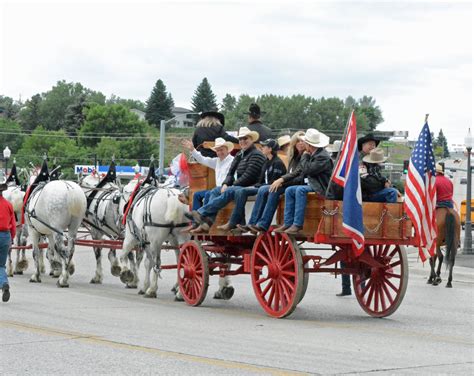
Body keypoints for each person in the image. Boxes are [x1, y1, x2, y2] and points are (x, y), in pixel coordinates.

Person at [186, 127, 266, 233]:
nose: (242, 141)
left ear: (252, 139)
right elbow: (230, 174)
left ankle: (201, 213)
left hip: (252, 185)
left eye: (245, 138)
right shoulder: (239, 155)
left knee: (224, 191)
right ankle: (206, 223)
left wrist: (231, 185)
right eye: (240, 139)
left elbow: (249, 176)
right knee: (213, 191)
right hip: (236, 186)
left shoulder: (256, 155)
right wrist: (226, 183)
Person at [239, 131, 305, 233]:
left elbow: (299, 176)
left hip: (296, 185)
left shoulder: (300, 157)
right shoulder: (293, 157)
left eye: (303, 141)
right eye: (298, 141)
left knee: (271, 188)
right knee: (265, 188)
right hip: (289, 184)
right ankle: (253, 223)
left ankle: (263, 224)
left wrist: (281, 182)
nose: (300, 143)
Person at [218, 138, 286, 231]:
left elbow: (273, 182)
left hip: (270, 188)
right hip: (263, 187)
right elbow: (261, 180)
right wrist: (255, 185)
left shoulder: (277, 163)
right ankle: (237, 222)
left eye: (263, 146)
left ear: (270, 149)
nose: (261, 148)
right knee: (241, 191)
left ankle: (252, 222)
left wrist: (258, 186)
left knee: (261, 189)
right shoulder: (266, 162)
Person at [273, 128, 333, 235]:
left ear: (309, 145)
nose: (303, 144)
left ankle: (297, 224)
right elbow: (300, 170)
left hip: (321, 187)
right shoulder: (314, 154)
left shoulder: (322, 156)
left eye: (305, 142)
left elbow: (307, 170)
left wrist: (305, 155)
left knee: (300, 190)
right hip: (313, 184)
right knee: (290, 190)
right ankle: (287, 223)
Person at [181, 137, 235, 230]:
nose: (219, 152)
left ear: (227, 150)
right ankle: (196, 223)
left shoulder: (233, 161)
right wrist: (193, 150)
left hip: (226, 190)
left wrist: (227, 186)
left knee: (208, 194)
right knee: (197, 195)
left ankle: (203, 221)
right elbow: (202, 159)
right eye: (217, 151)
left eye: (221, 150)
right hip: (217, 190)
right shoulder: (217, 161)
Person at [0, 182, 16, 302]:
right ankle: (4, 282)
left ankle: (4, 283)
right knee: (1, 265)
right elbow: (13, 226)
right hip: (5, 236)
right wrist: (11, 238)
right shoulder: (8, 204)